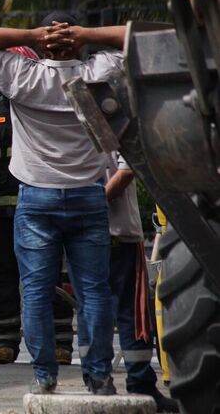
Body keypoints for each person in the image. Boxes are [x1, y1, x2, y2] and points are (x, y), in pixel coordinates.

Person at [0, 12, 126, 395]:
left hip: (36, 199)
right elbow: (136, 37)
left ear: (43, 44)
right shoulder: (98, 72)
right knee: (94, 291)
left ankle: (44, 376)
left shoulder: (24, 76)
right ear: (77, 40)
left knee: (36, 291)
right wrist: (85, 34)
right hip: (89, 195)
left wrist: (32, 35)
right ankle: (99, 376)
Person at [0, 46, 74, 366]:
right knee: (3, 277)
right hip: (1, 218)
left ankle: (61, 344)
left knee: (52, 276)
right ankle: (4, 342)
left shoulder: (50, 111)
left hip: (45, 210)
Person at [103, 152, 179, 412]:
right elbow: (127, 170)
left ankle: (98, 380)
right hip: (120, 231)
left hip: (85, 234)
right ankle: (139, 382)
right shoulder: (115, 126)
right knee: (134, 313)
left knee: (94, 307)